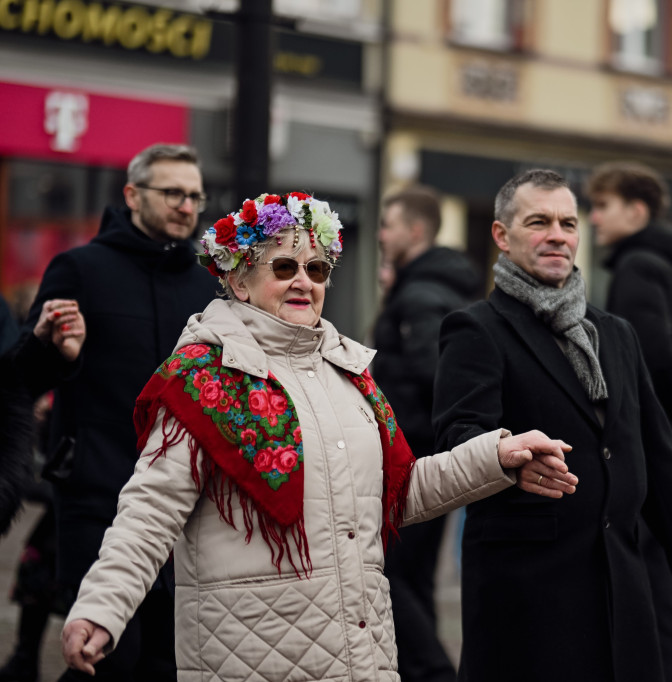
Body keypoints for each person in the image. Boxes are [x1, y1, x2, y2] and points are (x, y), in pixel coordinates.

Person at [59, 191, 573, 682]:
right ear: (239, 281)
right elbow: (149, 513)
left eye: (316, 269)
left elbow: (395, 493)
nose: (303, 281)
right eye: (284, 267)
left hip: (360, 655)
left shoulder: (349, 370)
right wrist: (101, 609)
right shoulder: (200, 378)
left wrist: (496, 457)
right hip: (253, 656)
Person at [433, 169, 672, 682]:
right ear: (502, 235)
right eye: (538, 222)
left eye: (568, 223)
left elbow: (657, 456)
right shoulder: (476, 329)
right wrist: (506, 455)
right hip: (527, 593)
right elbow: (457, 437)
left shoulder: (615, 334)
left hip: (622, 585)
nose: (557, 235)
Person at [21, 143, 218, 680]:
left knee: (165, 660)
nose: (186, 206)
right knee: (105, 656)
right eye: (173, 192)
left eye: (195, 195)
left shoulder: (210, 284)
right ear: (132, 195)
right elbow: (23, 373)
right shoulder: (79, 268)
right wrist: (56, 350)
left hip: (182, 505)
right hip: (96, 493)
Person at [586, 161, 672, 682]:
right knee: (669, 586)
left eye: (603, 206)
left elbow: (647, 359)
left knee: (658, 592)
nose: (593, 218)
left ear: (636, 211)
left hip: (656, 443)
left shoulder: (638, 267)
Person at [373, 185, 480, 682]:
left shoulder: (419, 295)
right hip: (425, 454)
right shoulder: (440, 286)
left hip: (411, 456)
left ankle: (434, 672)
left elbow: (432, 375)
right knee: (413, 577)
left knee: (392, 575)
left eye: (389, 225)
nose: (381, 234)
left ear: (415, 231)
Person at [0, 301, 84, 682]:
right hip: (60, 502)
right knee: (38, 572)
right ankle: (23, 656)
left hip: (77, 498)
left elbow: (15, 381)